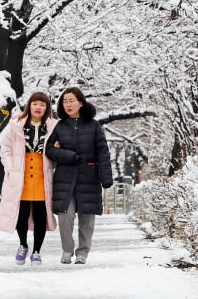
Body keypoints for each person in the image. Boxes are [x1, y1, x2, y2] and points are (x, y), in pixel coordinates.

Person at [45, 86, 114, 265]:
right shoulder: (60, 126)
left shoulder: (94, 125)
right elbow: (49, 150)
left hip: (89, 176)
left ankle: (83, 252)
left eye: (71, 101)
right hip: (65, 177)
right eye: (65, 101)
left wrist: (106, 177)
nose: (68, 104)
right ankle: (67, 249)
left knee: (87, 217)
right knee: (64, 215)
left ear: (81, 103)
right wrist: (69, 156)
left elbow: (103, 152)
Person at [0, 91, 59, 265]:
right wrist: (11, 167)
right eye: (35, 104)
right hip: (20, 174)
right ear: (29, 106)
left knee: (41, 214)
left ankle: (37, 251)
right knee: (21, 213)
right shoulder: (16, 125)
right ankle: (23, 244)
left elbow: (58, 149)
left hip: (42, 174)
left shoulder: (54, 126)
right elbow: (5, 148)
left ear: (47, 108)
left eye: (42, 104)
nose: (38, 107)